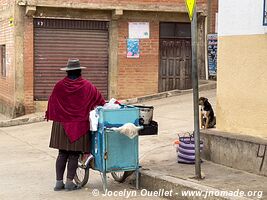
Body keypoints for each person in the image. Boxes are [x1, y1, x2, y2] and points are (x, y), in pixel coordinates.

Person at [46, 59, 105, 191]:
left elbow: (52, 104)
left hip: (61, 125)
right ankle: (69, 182)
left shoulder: (59, 86)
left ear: (67, 71)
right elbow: (100, 101)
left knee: (62, 153)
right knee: (73, 154)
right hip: (79, 126)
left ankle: (58, 183)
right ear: (80, 71)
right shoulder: (88, 86)